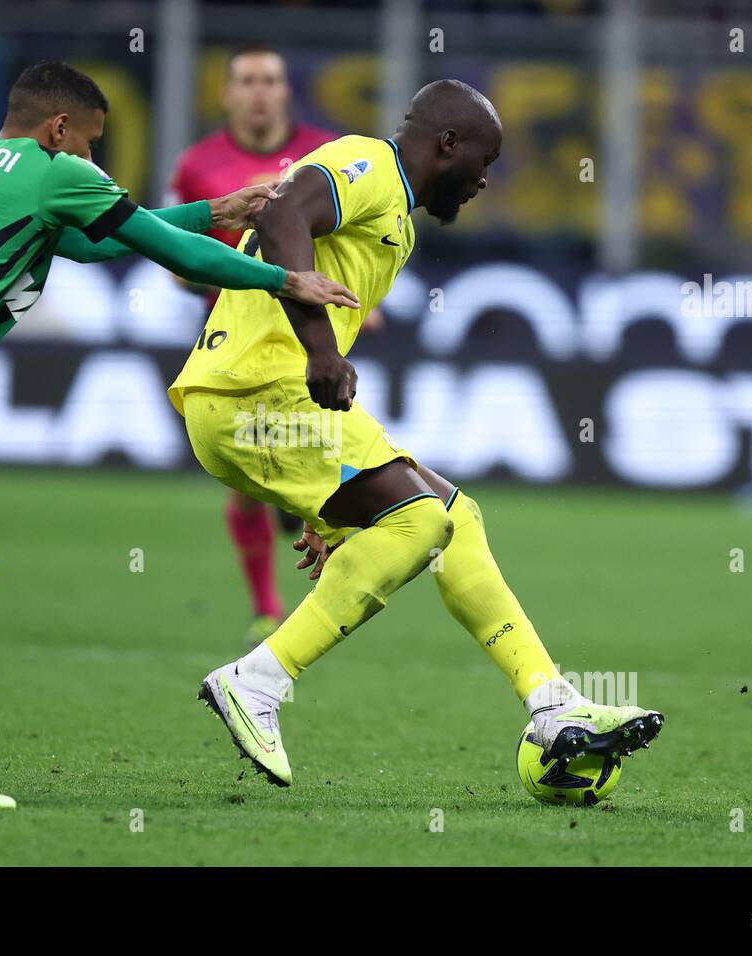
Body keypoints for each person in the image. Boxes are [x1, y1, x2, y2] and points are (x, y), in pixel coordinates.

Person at [0, 60, 357, 809]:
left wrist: (215, 208)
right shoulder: (54, 170)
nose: (93, 160)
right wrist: (286, 281)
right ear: (58, 130)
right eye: (90, 143)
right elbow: (161, 250)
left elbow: (88, 244)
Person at [169, 79, 664, 787]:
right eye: (483, 161)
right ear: (447, 145)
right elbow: (284, 215)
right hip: (254, 394)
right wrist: (321, 351)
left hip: (264, 403)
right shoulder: (369, 165)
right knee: (418, 522)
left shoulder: (395, 217)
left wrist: (327, 505)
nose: (484, 180)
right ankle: (259, 680)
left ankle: (553, 706)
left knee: (456, 518)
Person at [168, 41, 374, 647]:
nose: (259, 91)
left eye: (270, 80)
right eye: (247, 81)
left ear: (286, 91)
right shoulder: (197, 165)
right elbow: (176, 261)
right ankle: (267, 607)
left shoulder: (324, 156)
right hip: (235, 337)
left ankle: (323, 567)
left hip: (309, 335)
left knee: (310, 465)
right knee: (252, 472)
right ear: (228, 94)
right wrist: (242, 275)